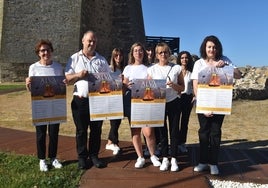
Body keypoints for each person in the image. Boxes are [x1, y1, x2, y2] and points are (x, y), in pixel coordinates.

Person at [191, 35, 241, 175]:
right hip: (203, 103)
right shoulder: (199, 63)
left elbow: (238, 74)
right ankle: (202, 161)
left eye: (214, 47)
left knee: (215, 133)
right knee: (203, 133)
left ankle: (213, 163)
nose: (211, 49)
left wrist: (226, 66)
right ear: (204, 48)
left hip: (219, 103)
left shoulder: (224, 60)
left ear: (217, 48)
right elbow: (195, 84)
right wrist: (202, 105)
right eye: (209, 47)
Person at [65, 30, 111, 169]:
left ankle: (94, 155)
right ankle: (82, 157)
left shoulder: (102, 60)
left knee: (96, 130)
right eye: (89, 40)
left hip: (97, 100)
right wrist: (79, 75)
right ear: (83, 41)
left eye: (94, 41)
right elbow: (67, 79)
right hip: (81, 100)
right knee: (81, 130)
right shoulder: (74, 58)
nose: (92, 43)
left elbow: (108, 80)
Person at [25, 39, 63, 172]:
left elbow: (61, 86)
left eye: (47, 50)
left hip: (54, 105)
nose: (45, 52)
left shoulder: (58, 67)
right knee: (41, 133)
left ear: (51, 51)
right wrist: (28, 84)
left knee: (54, 133)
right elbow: (31, 90)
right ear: (38, 53)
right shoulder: (33, 68)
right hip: (40, 105)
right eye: (42, 50)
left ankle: (53, 157)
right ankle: (42, 159)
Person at [122, 42, 161, 168]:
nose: (138, 53)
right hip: (131, 101)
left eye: (140, 50)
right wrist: (125, 85)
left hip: (145, 102)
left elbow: (153, 84)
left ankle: (153, 155)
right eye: (135, 50)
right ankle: (140, 157)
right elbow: (123, 86)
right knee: (135, 131)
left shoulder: (149, 67)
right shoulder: (127, 68)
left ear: (143, 53)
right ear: (132, 53)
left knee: (149, 132)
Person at [147, 42, 185, 172]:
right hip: (159, 103)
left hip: (173, 101)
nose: (163, 54)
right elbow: (148, 88)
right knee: (162, 132)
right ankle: (164, 158)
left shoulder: (177, 68)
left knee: (174, 131)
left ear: (169, 53)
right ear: (157, 55)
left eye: (166, 52)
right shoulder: (151, 69)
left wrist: (173, 85)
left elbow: (182, 87)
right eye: (160, 52)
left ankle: (174, 158)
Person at [105, 48, 125, 155]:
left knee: (117, 122)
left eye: (120, 56)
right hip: (111, 99)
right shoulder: (108, 69)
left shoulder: (123, 70)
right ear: (113, 57)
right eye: (116, 56)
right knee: (114, 122)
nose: (118, 58)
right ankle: (114, 143)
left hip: (120, 99)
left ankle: (110, 142)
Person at [176, 51, 195, 153]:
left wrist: (194, 96)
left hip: (187, 98)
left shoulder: (191, 72)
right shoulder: (176, 71)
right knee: (175, 122)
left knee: (184, 122)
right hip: (178, 98)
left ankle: (182, 143)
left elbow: (194, 86)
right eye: (182, 58)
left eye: (186, 58)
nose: (184, 60)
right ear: (179, 59)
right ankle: (174, 143)